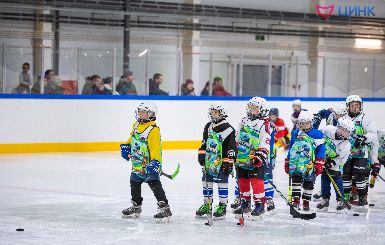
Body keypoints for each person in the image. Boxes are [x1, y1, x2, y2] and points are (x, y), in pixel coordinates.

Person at [120, 102, 172, 222]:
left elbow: (155, 147)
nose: (140, 113)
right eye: (139, 111)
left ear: (151, 114)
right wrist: (126, 146)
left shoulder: (153, 129)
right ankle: (136, 206)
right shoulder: (136, 125)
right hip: (137, 162)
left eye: (143, 111)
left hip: (150, 163)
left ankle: (165, 207)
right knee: (134, 182)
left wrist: (155, 162)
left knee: (154, 183)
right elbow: (132, 138)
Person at [195, 103, 236, 220]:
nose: (213, 114)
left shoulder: (229, 129)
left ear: (222, 114)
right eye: (212, 111)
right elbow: (204, 143)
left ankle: (222, 206)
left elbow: (231, 148)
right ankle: (207, 204)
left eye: (216, 112)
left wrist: (228, 163)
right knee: (206, 182)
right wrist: (201, 155)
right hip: (209, 161)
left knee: (222, 183)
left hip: (222, 162)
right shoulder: (208, 126)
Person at [233, 97, 271, 219]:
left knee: (256, 180)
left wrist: (260, 156)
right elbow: (237, 136)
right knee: (242, 179)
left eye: (255, 108)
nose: (251, 110)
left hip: (255, 158)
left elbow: (265, 141)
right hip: (242, 156)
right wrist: (234, 150)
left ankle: (260, 204)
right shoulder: (244, 120)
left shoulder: (264, 123)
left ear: (262, 110)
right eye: (251, 107)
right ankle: (245, 202)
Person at [285, 111, 325, 211]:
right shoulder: (295, 133)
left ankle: (306, 202)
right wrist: (287, 160)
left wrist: (319, 162)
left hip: (310, 164)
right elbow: (292, 148)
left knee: (309, 182)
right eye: (301, 123)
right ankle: (296, 201)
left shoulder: (317, 134)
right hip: (296, 163)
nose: (303, 125)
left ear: (311, 122)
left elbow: (321, 149)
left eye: (306, 123)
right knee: (296, 180)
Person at [343, 95, 379, 208]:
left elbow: (374, 135)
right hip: (346, 153)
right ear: (348, 107)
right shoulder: (343, 119)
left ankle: (362, 196)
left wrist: (364, 138)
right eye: (352, 106)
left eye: (357, 106)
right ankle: (346, 196)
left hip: (361, 154)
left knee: (359, 176)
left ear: (361, 107)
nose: (355, 108)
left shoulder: (366, 119)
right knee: (346, 175)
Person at [316, 118, 355, 212]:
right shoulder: (328, 129)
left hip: (335, 163)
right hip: (323, 158)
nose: (343, 132)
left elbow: (342, 160)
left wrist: (332, 163)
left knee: (337, 180)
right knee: (324, 179)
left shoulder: (346, 145)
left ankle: (340, 199)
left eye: (347, 131)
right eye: (342, 129)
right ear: (338, 127)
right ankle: (325, 198)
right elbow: (318, 137)